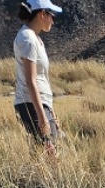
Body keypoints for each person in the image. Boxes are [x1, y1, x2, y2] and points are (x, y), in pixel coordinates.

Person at [13, 0, 64, 156]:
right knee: (50, 156)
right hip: (31, 105)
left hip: (41, 104)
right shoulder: (27, 39)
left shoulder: (35, 38)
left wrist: (53, 116)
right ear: (42, 14)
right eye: (52, 15)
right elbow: (31, 81)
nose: (53, 21)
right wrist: (42, 119)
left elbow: (42, 80)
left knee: (46, 154)